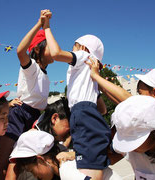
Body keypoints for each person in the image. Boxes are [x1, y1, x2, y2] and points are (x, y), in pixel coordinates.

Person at [42, 10, 111, 179]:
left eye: (74, 45)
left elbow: (56, 53)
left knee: (90, 167)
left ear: (83, 47)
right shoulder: (91, 72)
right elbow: (102, 110)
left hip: (82, 112)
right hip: (85, 111)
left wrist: (46, 27)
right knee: (88, 160)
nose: (72, 49)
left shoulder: (84, 56)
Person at [0, 10, 54, 180]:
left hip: (34, 117)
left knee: (21, 164)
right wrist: (39, 24)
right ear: (39, 48)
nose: (55, 48)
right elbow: (20, 51)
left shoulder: (45, 75)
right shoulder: (32, 67)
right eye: (50, 44)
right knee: (4, 162)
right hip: (19, 115)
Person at [8, 130, 122, 180]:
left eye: (32, 171)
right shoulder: (66, 166)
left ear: (41, 159)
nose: (35, 176)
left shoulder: (67, 170)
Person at [5, 98, 71, 180]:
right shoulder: (30, 139)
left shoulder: (55, 140)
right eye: (70, 124)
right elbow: (12, 169)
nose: (72, 131)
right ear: (55, 118)